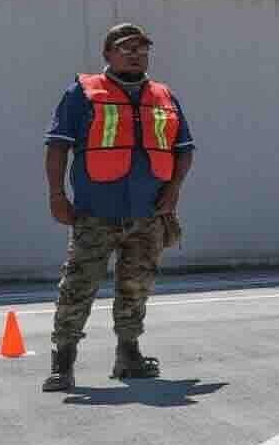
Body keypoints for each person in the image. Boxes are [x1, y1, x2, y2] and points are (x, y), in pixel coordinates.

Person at [41, 23, 194, 391]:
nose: (135, 53)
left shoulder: (163, 95)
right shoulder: (83, 93)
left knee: (136, 287)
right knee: (78, 285)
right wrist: (57, 195)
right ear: (108, 54)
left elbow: (183, 149)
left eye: (141, 48)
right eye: (126, 47)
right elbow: (58, 146)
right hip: (96, 212)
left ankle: (129, 355)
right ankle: (63, 363)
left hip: (148, 213)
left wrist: (174, 189)